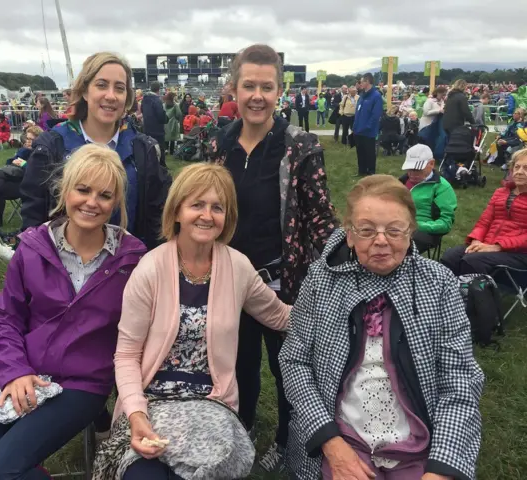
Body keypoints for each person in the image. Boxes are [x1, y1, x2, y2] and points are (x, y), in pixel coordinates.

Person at [0, 144, 148, 480]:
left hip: (82, 385)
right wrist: (14, 371)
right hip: (23, 370)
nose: (92, 202)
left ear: (117, 203)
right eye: (83, 190)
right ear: (65, 190)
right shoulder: (33, 247)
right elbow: (9, 316)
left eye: (105, 195)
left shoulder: (132, 260)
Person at [280, 174, 484, 480]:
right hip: (342, 439)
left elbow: (460, 380)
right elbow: (294, 360)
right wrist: (330, 441)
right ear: (348, 234)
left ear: (411, 231)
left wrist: (440, 468)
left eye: (394, 230)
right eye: (366, 230)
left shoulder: (438, 283)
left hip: (419, 445)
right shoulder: (321, 281)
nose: (380, 240)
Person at [94, 163, 291, 480]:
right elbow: (127, 355)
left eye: (217, 207)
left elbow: (280, 316)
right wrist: (136, 413)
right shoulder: (150, 269)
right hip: (152, 404)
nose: (207, 215)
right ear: (176, 212)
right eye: (197, 204)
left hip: (211, 407)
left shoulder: (237, 268)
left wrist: (334, 309)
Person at [207, 44, 338, 473]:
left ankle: (286, 439)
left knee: (288, 369)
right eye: (249, 86)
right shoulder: (220, 142)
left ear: (280, 90)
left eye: (267, 86)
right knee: (236, 362)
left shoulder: (299, 146)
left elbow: (320, 218)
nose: (257, 95)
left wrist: (338, 267)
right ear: (234, 88)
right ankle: (240, 429)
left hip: (285, 283)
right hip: (228, 279)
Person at [17, 52, 170, 253]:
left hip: (129, 270)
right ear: (85, 91)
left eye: (120, 88)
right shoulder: (52, 146)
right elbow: (34, 217)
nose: (110, 95)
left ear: (127, 97)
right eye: (101, 85)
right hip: (63, 274)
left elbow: (157, 218)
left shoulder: (144, 149)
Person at [441, 148, 527, 276]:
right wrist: (476, 240)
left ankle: (476, 294)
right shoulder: (500, 192)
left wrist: (498, 247)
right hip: (489, 244)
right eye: (517, 167)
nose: (519, 172)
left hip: (519, 253)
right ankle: (448, 292)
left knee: (472, 261)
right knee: (451, 256)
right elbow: (484, 221)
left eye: (526, 168)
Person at [0, 126, 44, 229]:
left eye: (31, 139)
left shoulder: (41, 153)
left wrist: (25, 164)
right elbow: (8, 164)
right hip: (17, 181)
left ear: (38, 139)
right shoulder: (24, 150)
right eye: (27, 139)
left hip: (30, 186)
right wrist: (17, 158)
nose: (28, 141)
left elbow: (38, 173)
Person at [400, 144, 457, 253]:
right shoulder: (400, 182)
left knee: (400, 246)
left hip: (423, 231)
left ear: (431, 164)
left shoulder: (442, 187)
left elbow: (445, 223)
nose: (412, 174)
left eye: (417, 169)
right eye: (409, 169)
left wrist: (416, 226)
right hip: (394, 225)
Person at [353, 73, 383, 176]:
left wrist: (367, 127)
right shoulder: (362, 95)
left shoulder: (376, 96)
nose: (360, 84)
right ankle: (361, 170)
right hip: (358, 130)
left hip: (368, 131)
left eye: (361, 82)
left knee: (369, 152)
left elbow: (376, 115)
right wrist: (355, 126)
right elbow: (358, 111)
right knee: (360, 151)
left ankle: (370, 172)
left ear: (367, 82)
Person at [141, 81, 169, 167]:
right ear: (159, 89)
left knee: (149, 147)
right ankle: (162, 166)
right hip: (157, 129)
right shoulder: (157, 100)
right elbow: (160, 115)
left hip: (147, 127)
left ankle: (150, 164)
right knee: (160, 148)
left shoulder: (144, 99)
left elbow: (142, 110)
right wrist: (166, 118)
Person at [163, 91, 183, 157]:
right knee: (172, 137)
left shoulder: (163, 104)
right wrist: (177, 118)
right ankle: (171, 151)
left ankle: (165, 149)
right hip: (173, 122)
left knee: (166, 136)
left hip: (165, 122)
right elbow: (179, 114)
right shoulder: (175, 105)